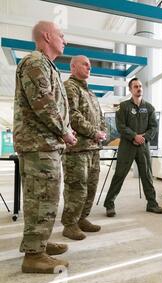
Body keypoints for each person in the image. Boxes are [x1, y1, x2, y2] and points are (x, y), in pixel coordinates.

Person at [14, 21, 77, 273]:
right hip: (38, 144)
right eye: (61, 35)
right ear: (47, 36)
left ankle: (40, 241)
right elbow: (45, 103)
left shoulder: (45, 65)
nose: (65, 40)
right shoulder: (35, 62)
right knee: (41, 197)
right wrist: (65, 131)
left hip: (44, 144)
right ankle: (33, 256)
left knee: (45, 197)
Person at [61, 56, 107, 240]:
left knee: (91, 187)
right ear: (73, 67)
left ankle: (82, 218)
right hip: (77, 149)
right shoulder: (69, 87)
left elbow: (100, 116)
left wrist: (102, 132)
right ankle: (70, 224)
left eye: (90, 65)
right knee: (76, 188)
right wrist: (95, 132)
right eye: (85, 64)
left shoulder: (90, 93)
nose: (89, 67)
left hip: (93, 149)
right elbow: (73, 115)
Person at [103, 78, 162, 216]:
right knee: (119, 174)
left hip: (143, 146)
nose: (139, 88)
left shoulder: (149, 107)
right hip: (127, 146)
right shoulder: (123, 107)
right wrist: (134, 136)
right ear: (130, 89)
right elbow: (120, 126)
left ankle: (152, 204)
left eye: (140, 86)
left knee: (147, 175)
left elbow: (154, 126)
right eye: (135, 86)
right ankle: (109, 204)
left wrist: (143, 138)